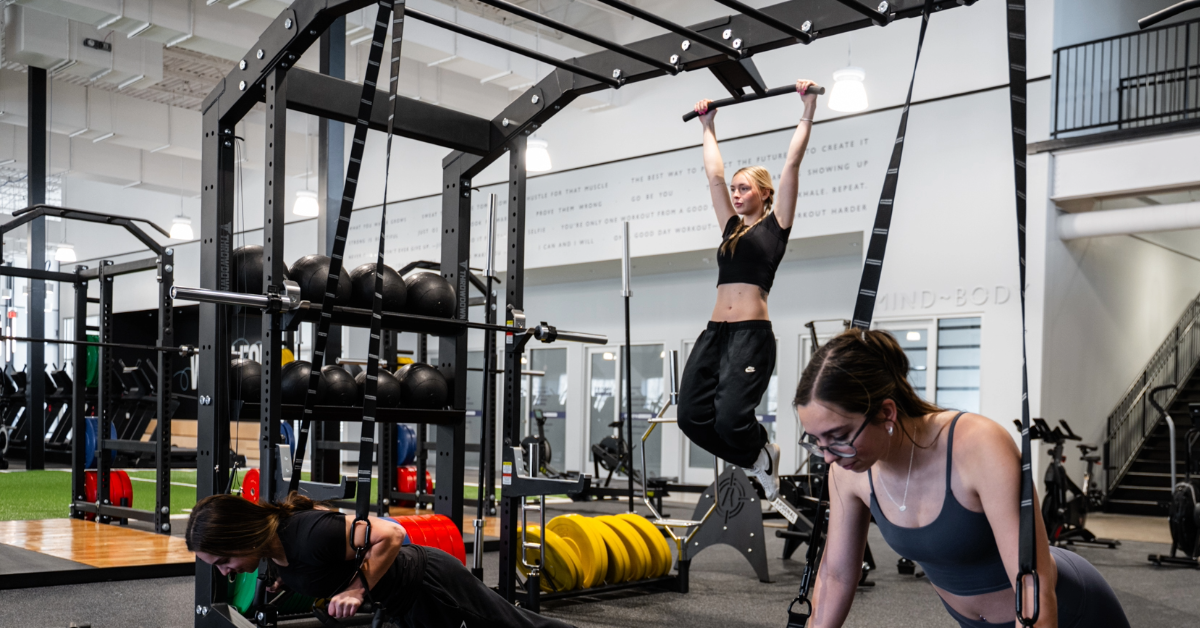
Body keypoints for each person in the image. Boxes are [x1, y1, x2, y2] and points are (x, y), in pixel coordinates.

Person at [793, 329, 1130, 628]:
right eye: (816, 440)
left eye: (838, 436)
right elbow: (835, 575)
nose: (829, 456)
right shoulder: (848, 472)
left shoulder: (978, 445)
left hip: (1066, 612)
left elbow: (1032, 582)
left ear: (886, 412)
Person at [677, 79, 820, 501]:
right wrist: (708, 126)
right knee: (690, 417)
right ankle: (759, 456)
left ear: (764, 193)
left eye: (745, 189)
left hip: (750, 337)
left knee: (730, 419)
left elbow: (792, 165)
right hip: (714, 334)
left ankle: (759, 448)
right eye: (735, 189)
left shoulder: (776, 228)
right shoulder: (730, 227)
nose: (736, 194)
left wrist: (807, 108)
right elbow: (714, 175)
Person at [186, 493, 575, 628]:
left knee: (515, 625)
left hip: (431, 583)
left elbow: (392, 533)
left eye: (223, 560)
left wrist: (356, 589)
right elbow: (320, 564)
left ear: (244, 537)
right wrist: (287, 580)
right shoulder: (277, 550)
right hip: (403, 601)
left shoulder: (307, 534)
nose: (224, 571)